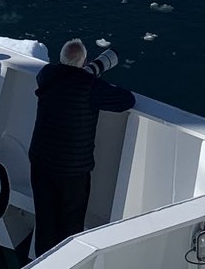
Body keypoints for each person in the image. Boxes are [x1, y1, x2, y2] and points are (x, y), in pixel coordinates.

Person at [28, 38, 135, 256]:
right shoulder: (90, 88)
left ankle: (42, 262)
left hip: (41, 164)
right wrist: (91, 73)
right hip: (72, 171)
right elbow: (127, 100)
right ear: (84, 61)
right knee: (70, 227)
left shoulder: (47, 76)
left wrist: (85, 72)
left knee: (45, 222)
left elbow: (63, 77)